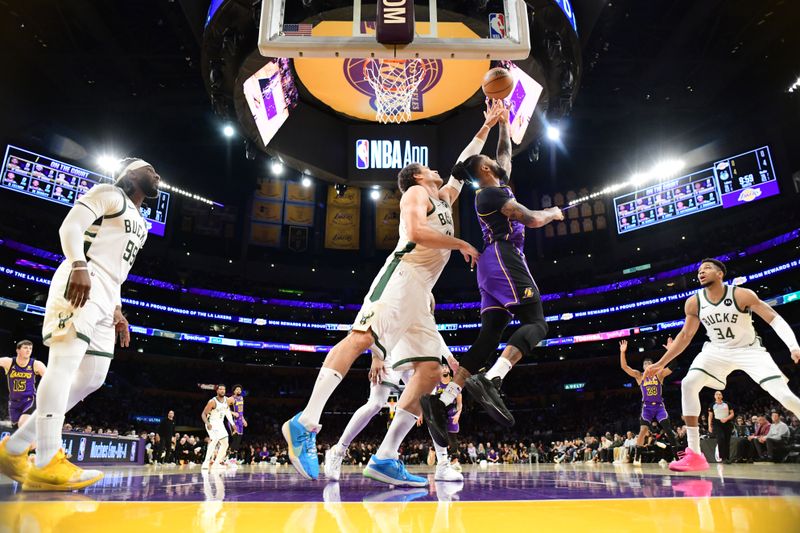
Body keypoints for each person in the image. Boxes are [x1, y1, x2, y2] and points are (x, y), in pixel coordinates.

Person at [281, 106, 501, 485]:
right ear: (417, 176)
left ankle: (385, 456)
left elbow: (465, 164)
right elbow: (415, 232)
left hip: (421, 294)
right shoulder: (416, 192)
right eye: (428, 167)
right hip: (402, 276)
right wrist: (461, 242)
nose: (437, 170)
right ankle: (305, 421)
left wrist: (488, 124)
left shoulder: (445, 196)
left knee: (431, 372)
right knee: (361, 337)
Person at [0, 158, 160, 490]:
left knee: (92, 378)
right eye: (150, 169)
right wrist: (78, 265)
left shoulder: (141, 224)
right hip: (83, 277)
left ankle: (13, 448)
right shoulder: (110, 194)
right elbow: (70, 227)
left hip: (107, 293)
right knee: (63, 365)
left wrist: (118, 310)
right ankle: (46, 459)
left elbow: (118, 268)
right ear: (130, 171)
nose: (157, 175)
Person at [421, 104, 564, 446]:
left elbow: (505, 154)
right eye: (493, 162)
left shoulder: (496, 185)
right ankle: (493, 379)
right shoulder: (491, 194)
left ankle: (441, 401)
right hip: (503, 256)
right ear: (485, 169)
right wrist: (553, 213)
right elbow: (530, 219)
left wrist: (501, 124)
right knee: (537, 323)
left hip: (491, 265)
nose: (500, 162)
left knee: (488, 338)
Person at [645, 258, 800, 472]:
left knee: (786, 397)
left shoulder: (741, 294)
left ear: (720, 274)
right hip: (716, 350)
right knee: (689, 383)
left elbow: (773, 318)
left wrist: (793, 345)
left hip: (750, 350)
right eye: (699, 270)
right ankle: (695, 455)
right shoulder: (694, 302)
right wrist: (661, 363)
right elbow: (685, 336)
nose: (701, 272)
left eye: (707, 268)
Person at [324, 339, 463, 483]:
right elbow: (379, 319)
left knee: (432, 405)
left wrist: (449, 356)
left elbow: (431, 328)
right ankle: (337, 451)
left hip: (413, 351)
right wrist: (376, 356)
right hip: (389, 349)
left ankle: (442, 465)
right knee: (376, 403)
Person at [618, 339, 678, 465]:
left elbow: (673, 366)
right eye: (645, 364)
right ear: (644, 367)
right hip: (647, 408)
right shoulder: (639, 376)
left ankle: (676, 457)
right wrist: (622, 352)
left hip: (660, 407)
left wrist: (670, 351)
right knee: (643, 431)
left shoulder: (659, 375)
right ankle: (637, 457)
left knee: (668, 429)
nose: (647, 365)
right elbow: (624, 367)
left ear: (653, 366)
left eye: (649, 364)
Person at [1, 340, 46, 428]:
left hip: (29, 400)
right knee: (17, 429)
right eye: (25, 348)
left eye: (30, 348)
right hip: (14, 403)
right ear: (18, 350)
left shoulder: (36, 364)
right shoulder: (9, 362)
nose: (28, 350)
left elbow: (50, 377)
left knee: (23, 424)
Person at [432, 363, 463, 471]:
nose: (444, 369)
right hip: (439, 414)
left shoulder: (454, 384)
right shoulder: (436, 385)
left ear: (449, 370)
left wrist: (458, 414)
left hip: (451, 413)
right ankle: (437, 454)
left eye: (446, 367)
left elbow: (460, 403)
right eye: (442, 367)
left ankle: (455, 461)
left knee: (453, 439)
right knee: (441, 437)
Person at [201, 384, 235, 469]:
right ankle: (206, 461)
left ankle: (217, 463)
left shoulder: (227, 400)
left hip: (220, 424)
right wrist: (207, 423)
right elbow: (203, 414)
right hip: (211, 423)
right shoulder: (212, 401)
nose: (222, 391)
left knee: (225, 444)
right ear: (217, 391)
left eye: (224, 389)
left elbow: (227, 413)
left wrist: (233, 424)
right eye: (220, 389)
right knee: (214, 439)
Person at [708, 391, 735, 463]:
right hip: (717, 424)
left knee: (727, 440)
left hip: (727, 423)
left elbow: (732, 413)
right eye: (716, 394)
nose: (718, 395)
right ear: (714, 396)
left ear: (722, 396)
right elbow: (710, 416)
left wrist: (726, 418)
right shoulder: (712, 405)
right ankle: (722, 457)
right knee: (721, 438)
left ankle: (727, 458)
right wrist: (709, 426)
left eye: (720, 394)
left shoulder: (727, 404)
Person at [227, 385, 247, 463]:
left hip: (240, 421)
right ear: (234, 391)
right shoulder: (231, 399)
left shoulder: (242, 398)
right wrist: (232, 413)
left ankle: (233, 459)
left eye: (240, 389)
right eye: (237, 389)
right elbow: (224, 408)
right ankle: (229, 458)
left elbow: (241, 411)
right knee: (235, 439)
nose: (239, 390)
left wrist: (243, 419)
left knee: (239, 440)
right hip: (233, 420)